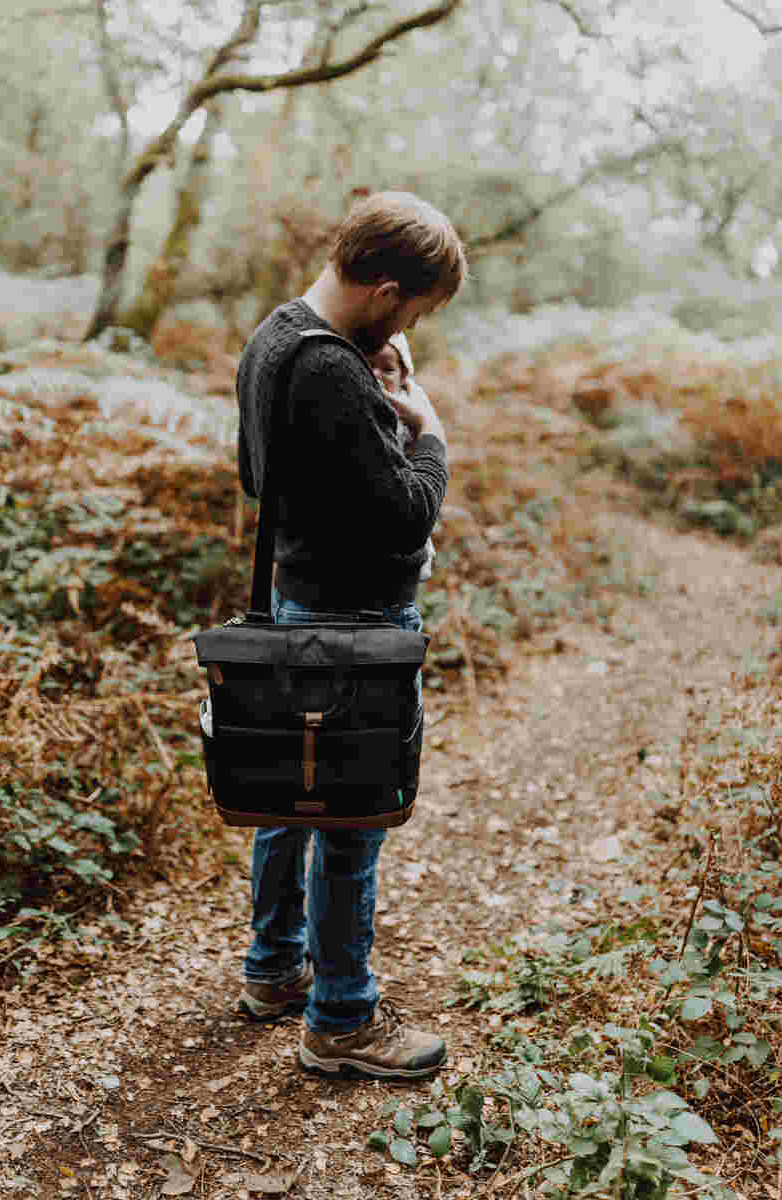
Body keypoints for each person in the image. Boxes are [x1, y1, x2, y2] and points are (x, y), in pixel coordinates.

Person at [235, 190, 467, 1079]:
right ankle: (340, 1019)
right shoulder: (333, 369)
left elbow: (262, 479)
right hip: (360, 625)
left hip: (298, 605)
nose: (412, 326)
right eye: (414, 308)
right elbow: (407, 516)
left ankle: (273, 970)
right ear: (382, 286)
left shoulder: (275, 336)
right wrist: (426, 430)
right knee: (349, 819)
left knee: (288, 798)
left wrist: (374, 417)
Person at [367, 331, 435, 582]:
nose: (376, 375)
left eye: (387, 370)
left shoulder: (410, 406)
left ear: (404, 377)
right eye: (368, 365)